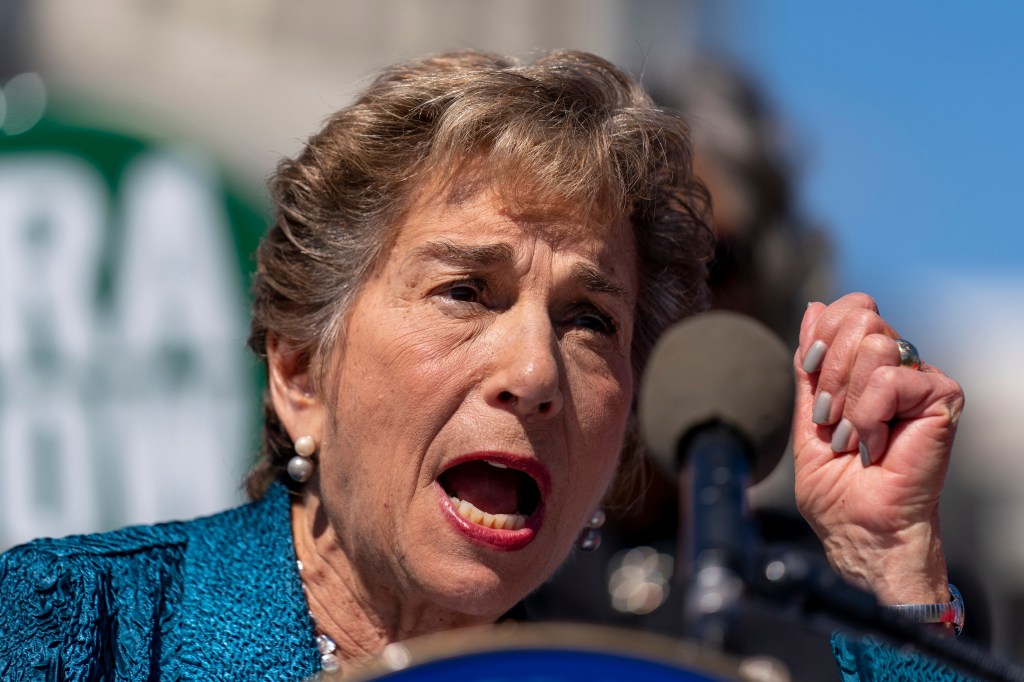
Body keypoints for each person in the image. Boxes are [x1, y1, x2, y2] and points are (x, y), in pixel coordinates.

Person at [0, 49, 966, 680]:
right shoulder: (67, 630)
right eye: (466, 291)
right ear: (300, 372)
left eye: (591, 319)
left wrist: (886, 564)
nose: (536, 371)